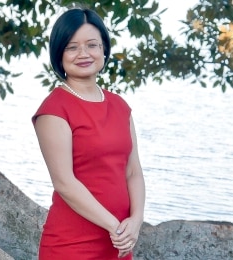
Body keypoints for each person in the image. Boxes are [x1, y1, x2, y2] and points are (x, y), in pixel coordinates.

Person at [32, 7, 145, 260]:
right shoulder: (54, 110)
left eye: (92, 45)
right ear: (59, 53)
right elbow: (65, 183)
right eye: (72, 47)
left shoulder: (120, 106)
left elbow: (133, 171)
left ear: (104, 48)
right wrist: (114, 226)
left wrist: (136, 221)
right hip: (72, 245)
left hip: (118, 243)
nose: (83, 54)